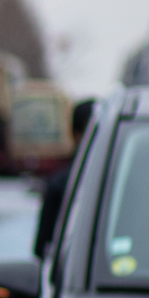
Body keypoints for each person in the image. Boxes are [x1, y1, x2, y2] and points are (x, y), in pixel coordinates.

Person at [32, 98, 97, 256]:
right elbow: (43, 247)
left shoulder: (61, 183)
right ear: (77, 135)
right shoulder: (61, 185)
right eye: (93, 133)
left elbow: (42, 249)